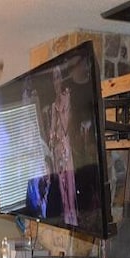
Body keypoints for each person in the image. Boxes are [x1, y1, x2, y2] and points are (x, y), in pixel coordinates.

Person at [48, 65, 78, 226]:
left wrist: (63, 105)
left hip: (66, 145)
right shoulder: (54, 105)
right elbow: (52, 130)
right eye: (54, 78)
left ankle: (73, 214)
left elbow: (67, 126)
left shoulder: (67, 98)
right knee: (61, 182)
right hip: (58, 149)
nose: (56, 82)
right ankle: (66, 215)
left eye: (58, 77)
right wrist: (52, 139)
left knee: (70, 180)